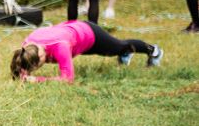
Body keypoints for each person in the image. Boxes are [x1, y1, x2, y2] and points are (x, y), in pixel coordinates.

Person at [10, 20, 164, 83]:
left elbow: (68, 79)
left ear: (42, 56)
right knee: (118, 48)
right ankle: (124, 52)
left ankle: (153, 50)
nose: (38, 68)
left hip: (90, 35)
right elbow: (22, 62)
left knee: (118, 46)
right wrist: (22, 73)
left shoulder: (60, 47)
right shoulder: (27, 46)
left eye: (38, 65)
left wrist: (37, 79)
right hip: (74, 32)